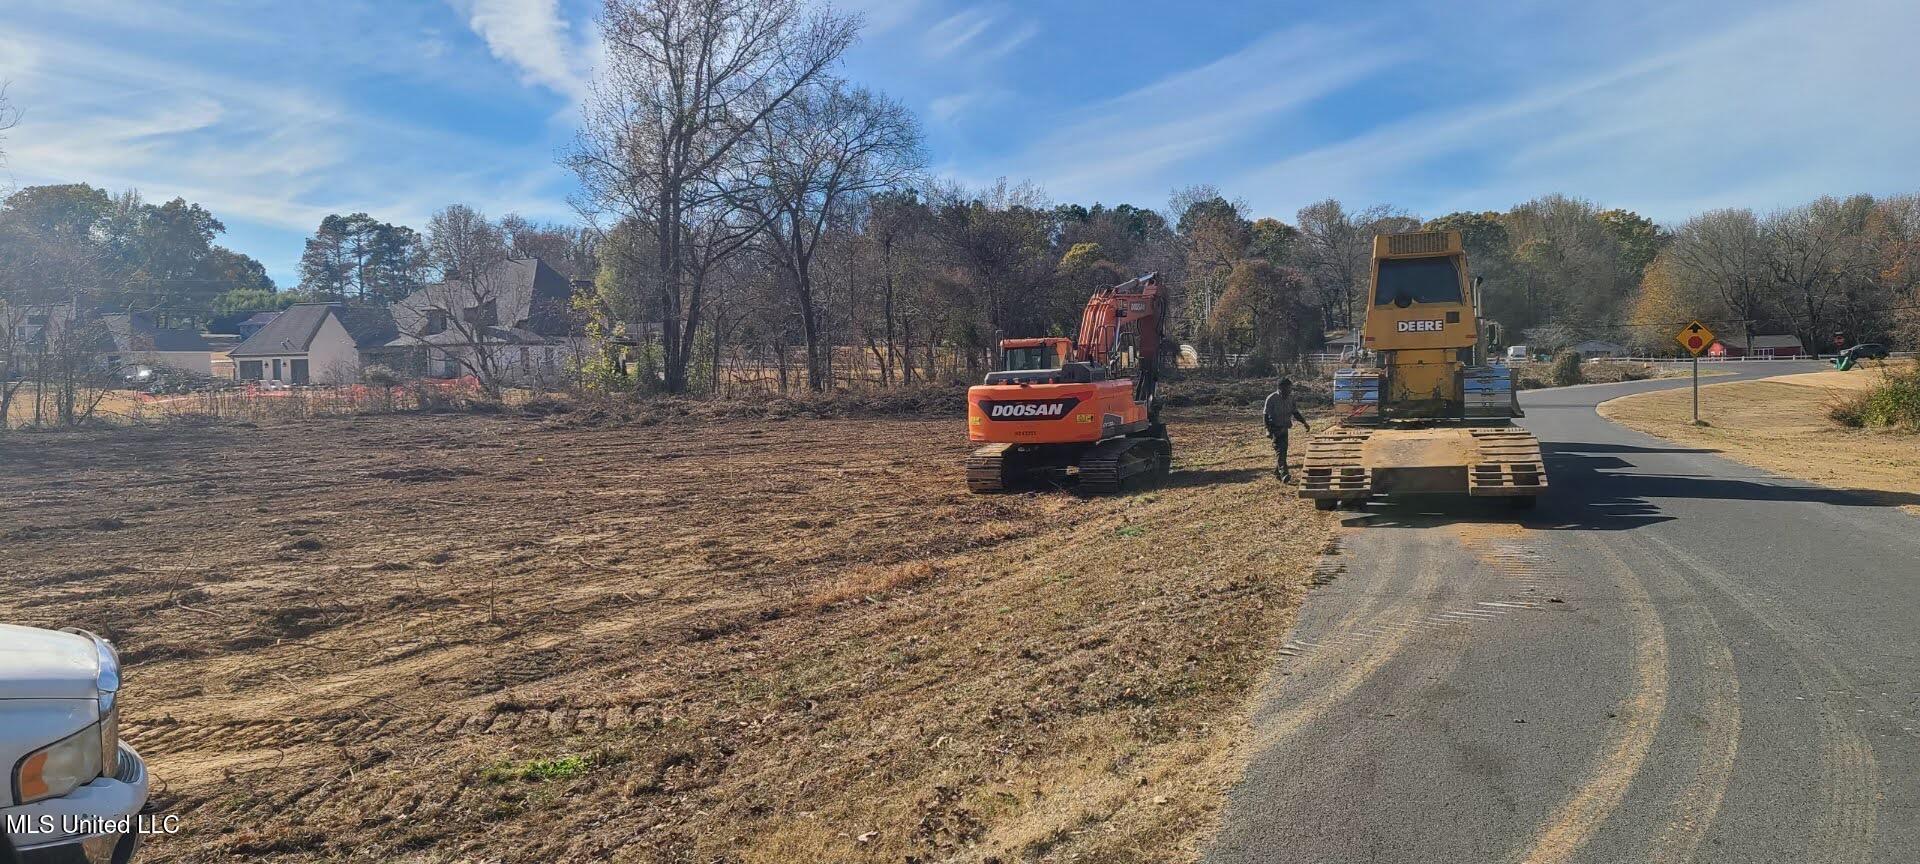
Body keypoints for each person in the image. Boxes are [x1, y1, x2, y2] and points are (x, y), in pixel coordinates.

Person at [1263, 378, 1310, 481]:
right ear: (1280, 388)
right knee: (1280, 451)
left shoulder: (1290, 399)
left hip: (1285, 428)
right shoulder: (1271, 398)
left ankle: (1277, 472)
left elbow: (1295, 412)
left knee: (1283, 451)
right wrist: (1267, 429)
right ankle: (1284, 473)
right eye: (1287, 389)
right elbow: (1265, 415)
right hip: (1274, 428)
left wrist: (1304, 422)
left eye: (1290, 389)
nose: (1289, 391)